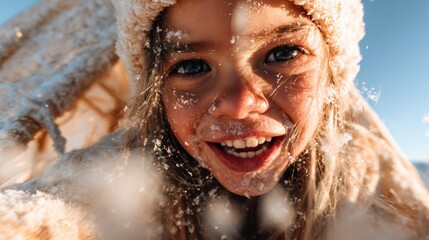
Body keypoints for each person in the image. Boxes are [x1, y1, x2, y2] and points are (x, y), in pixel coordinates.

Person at [1, 0, 428, 239]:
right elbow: (51, 214)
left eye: (282, 55)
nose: (238, 104)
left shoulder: (363, 174)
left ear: (332, 76)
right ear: (156, 90)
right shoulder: (124, 173)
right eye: (190, 66)